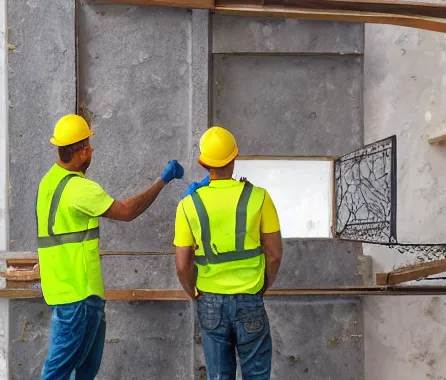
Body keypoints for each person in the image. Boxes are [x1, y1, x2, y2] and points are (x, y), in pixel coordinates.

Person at [37, 114, 184, 380]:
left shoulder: (48, 183)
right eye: (88, 145)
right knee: (56, 375)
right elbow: (127, 211)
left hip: (63, 292)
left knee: (80, 373)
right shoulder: (80, 189)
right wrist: (162, 181)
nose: (92, 150)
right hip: (80, 296)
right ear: (80, 151)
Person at [175, 126, 283, 380]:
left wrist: (194, 293)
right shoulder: (260, 197)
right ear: (233, 159)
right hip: (249, 296)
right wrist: (261, 286)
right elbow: (275, 254)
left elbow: (182, 265)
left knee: (219, 376)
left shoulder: (188, 205)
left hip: (210, 300)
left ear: (203, 162)